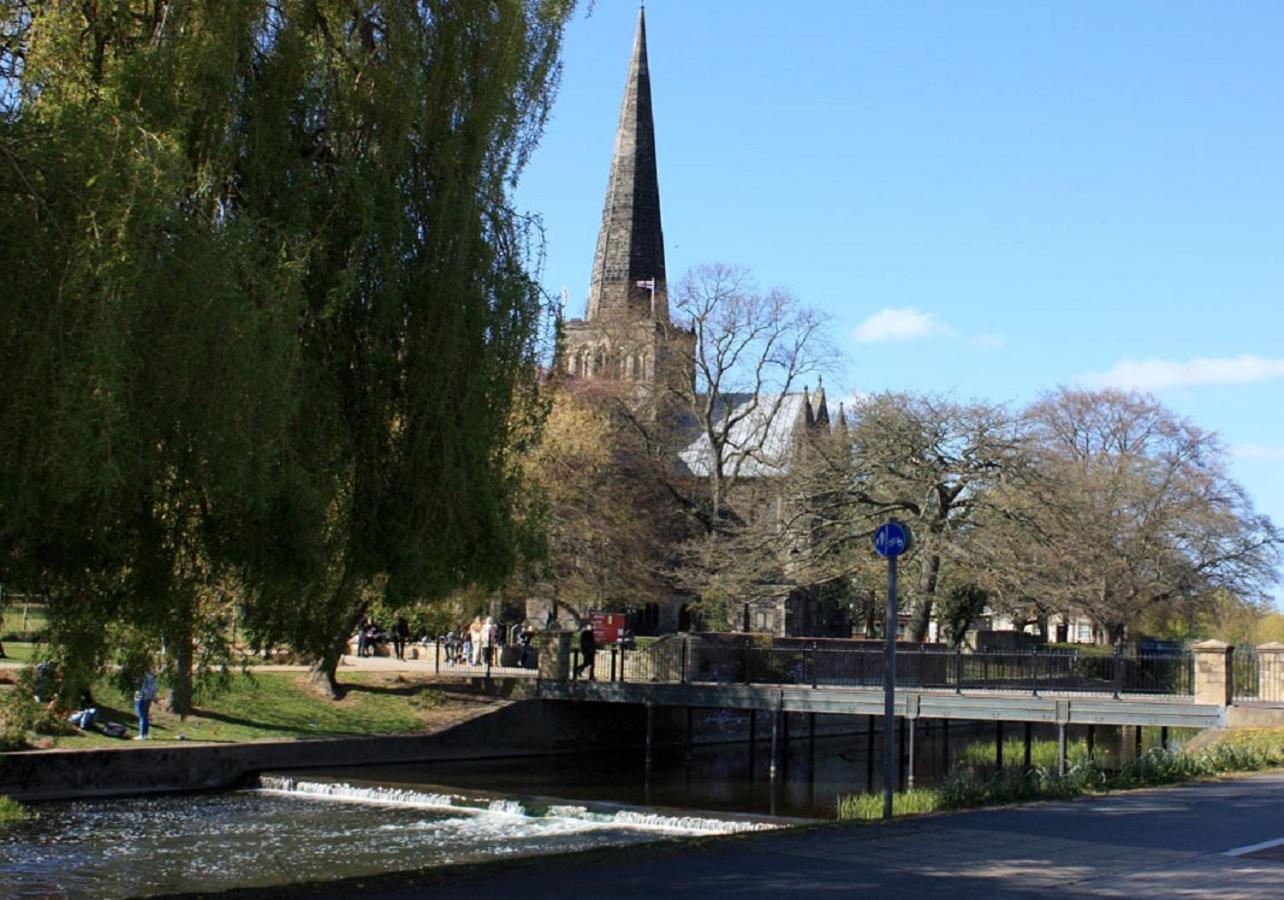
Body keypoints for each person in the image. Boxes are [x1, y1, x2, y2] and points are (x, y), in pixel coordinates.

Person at [134, 668, 158, 740]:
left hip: (141, 697)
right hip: (148, 698)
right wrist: (153, 698)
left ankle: (142, 734)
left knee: (142, 716)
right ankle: (145, 734)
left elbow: (140, 688)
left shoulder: (142, 677)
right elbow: (154, 689)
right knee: (145, 716)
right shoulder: (153, 678)